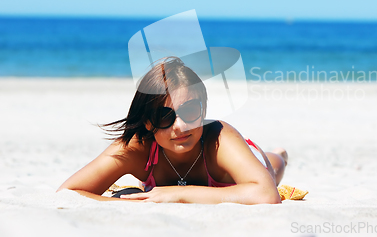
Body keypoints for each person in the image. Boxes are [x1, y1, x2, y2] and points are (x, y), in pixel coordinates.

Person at [57, 57, 288, 204]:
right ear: (148, 122)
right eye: (164, 117)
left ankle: (279, 154)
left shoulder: (219, 137)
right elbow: (69, 192)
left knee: (273, 165)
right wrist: (131, 203)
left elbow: (267, 195)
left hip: (249, 156)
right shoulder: (136, 148)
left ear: (204, 110)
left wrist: (176, 194)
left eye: (190, 111)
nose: (180, 126)